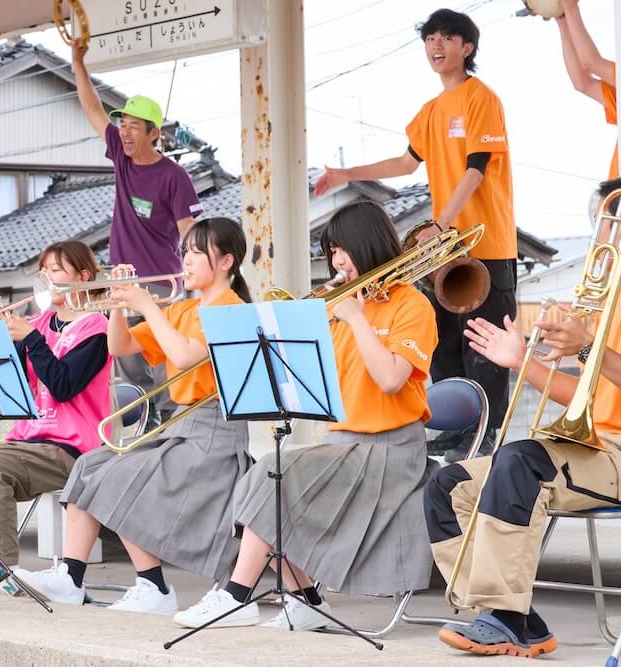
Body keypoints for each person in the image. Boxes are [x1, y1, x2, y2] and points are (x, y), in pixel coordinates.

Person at [424, 171, 621, 658]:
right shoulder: (608, 300)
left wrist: (589, 345)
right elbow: (582, 394)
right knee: (446, 486)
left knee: (519, 462)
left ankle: (506, 617)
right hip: (593, 450)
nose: (597, 229)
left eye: (605, 218)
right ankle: (510, 615)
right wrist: (521, 361)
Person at [174, 201, 439, 630]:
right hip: (342, 443)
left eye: (342, 250)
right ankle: (307, 601)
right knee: (266, 477)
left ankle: (236, 596)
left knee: (271, 477)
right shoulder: (340, 305)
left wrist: (357, 320)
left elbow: (391, 379)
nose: (337, 262)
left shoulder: (412, 304)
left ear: (366, 244)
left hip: (389, 451)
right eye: (332, 252)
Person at [16, 218, 252, 614]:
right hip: (184, 427)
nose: (186, 260)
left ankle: (153, 585)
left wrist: (146, 305)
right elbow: (119, 346)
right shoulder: (182, 309)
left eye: (196, 252)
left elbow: (183, 356)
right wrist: (119, 305)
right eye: (185, 252)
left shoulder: (233, 309)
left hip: (215, 433)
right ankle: (71, 577)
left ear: (226, 261)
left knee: (119, 475)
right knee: (92, 465)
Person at [313, 8, 517, 463]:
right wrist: (347, 173)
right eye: (429, 38)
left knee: (483, 344)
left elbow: (477, 168)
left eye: (446, 37)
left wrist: (441, 224)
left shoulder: (481, 97)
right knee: (444, 343)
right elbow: (406, 164)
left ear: (467, 46)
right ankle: (454, 430)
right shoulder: (430, 111)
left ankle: (486, 433)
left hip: (484, 247)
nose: (435, 46)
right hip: (443, 253)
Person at [0, 240, 111, 592]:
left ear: (83, 276)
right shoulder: (38, 323)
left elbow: (62, 386)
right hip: (27, 441)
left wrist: (32, 339)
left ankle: (3, 569)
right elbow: (9, 381)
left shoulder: (95, 329)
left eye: (56, 270)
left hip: (70, 447)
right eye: (43, 271)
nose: (46, 278)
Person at [71, 38, 203, 423]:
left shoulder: (174, 176)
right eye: (122, 124)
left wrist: (195, 280)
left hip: (160, 286)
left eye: (133, 127)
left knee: (162, 370)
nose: (124, 132)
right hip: (122, 283)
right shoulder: (121, 156)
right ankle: (146, 437)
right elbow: (91, 107)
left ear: (153, 133)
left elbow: (190, 232)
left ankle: (173, 432)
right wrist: (78, 62)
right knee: (129, 372)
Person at [553, 0, 619, 179]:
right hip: (618, 192)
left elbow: (591, 63)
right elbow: (582, 82)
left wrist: (571, 7)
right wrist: (563, 21)